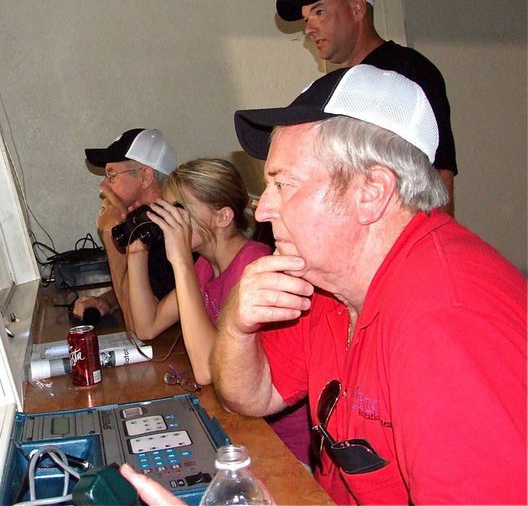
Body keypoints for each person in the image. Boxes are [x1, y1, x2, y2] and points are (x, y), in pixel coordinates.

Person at [211, 64, 526, 504]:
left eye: (283, 184)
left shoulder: (448, 324)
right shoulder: (331, 283)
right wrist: (236, 326)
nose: (262, 211)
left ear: (371, 192)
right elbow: (251, 395)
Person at [123, 158, 310, 465]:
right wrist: (136, 253)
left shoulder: (254, 268)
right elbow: (147, 326)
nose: (170, 221)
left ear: (223, 216)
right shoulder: (205, 267)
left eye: (179, 210)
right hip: (243, 429)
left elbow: (208, 371)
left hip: (282, 449)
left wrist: (180, 260)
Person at [275, 0, 457, 214]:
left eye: (319, 12)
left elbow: (439, 170)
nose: (308, 28)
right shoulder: (333, 86)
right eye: (307, 19)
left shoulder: (408, 71)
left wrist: (438, 245)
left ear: (358, 7)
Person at [73, 128, 178, 327]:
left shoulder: (169, 233)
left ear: (145, 177)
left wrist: (110, 233)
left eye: (111, 174)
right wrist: (107, 301)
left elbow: (137, 325)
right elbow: (148, 291)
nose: (104, 185)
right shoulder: (148, 222)